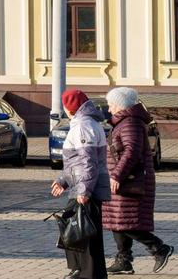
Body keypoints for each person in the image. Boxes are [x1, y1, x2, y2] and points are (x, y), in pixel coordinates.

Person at [104, 87, 174, 273]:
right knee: (116, 220)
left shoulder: (130, 123)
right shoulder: (124, 122)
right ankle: (123, 260)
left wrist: (117, 174)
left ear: (120, 105)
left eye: (111, 105)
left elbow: (132, 152)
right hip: (123, 179)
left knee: (126, 221)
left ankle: (159, 248)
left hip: (131, 180)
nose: (109, 109)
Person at [53, 87, 110, 279]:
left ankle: (87, 273)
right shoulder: (86, 123)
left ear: (71, 108)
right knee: (80, 228)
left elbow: (88, 162)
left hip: (86, 188)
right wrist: (63, 180)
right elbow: (76, 162)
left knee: (82, 231)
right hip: (82, 185)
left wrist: (84, 190)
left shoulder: (83, 126)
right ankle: (84, 271)